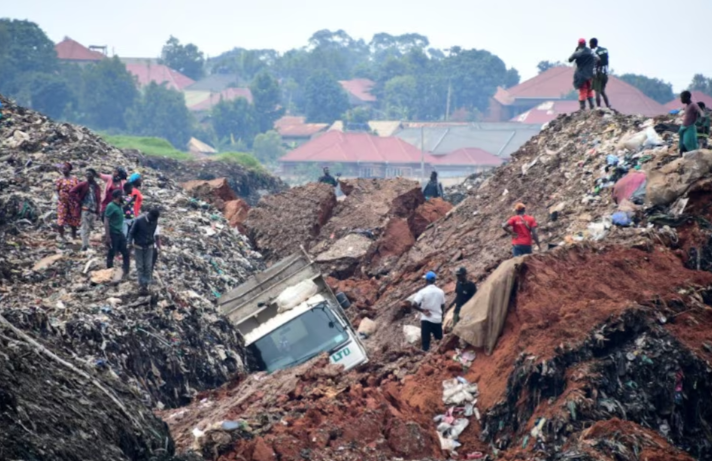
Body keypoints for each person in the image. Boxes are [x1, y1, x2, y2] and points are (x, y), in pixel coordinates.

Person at [406, 271, 445, 352]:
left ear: (426, 280)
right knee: (440, 341)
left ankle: (426, 357)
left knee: (426, 344)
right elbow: (442, 305)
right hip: (437, 319)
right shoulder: (441, 291)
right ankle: (439, 356)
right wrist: (441, 316)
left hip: (426, 319)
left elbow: (414, 304)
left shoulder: (423, 291)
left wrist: (423, 310)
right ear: (434, 281)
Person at [129, 208, 160, 295]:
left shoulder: (154, 221)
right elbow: (131, 232)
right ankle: (141, 285)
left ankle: (146, 284)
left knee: (148, 266)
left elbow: (153, 234)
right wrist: (129, 243)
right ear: (149, 215)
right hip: (138, 246)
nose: (154, 221)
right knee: (140, 266)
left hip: (149, 246)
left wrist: (156, 246)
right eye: (153, 219)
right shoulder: (139, 220)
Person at [70, 168, 102, 251]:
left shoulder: (96, 186)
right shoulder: (83, 184)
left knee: (90, 227)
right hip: (85, 209)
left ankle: (86, 243)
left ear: (94, 175)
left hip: (93, 210)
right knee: (85, 227)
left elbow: (98, 199)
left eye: (89, 174)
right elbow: (72, 192)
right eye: (86, 174)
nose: (87, 175)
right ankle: (84, 245)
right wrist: (79, 201)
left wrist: (98, 211)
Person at [104, 189, 130, 278]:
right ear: (118, 196)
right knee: (111, 253)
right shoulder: (111, 206)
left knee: (125, 252)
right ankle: (109, 272)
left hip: (119, 233)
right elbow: (106, 220)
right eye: (122, 195)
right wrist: (107, 236)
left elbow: (126, 204)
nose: (123, 197)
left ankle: (126, 270)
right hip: (113, 233)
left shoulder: (119, 205)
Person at [568, 38, 598, 111]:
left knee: (583, 90)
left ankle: (582, 108)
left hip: (581, 75)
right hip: (590, 74)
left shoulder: (577, 53)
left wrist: (576, 51)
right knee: (590, 90)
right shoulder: (591, 52)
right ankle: (592, 106)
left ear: (579, 44)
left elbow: (570, 60)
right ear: (585, 44)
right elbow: (597, 58)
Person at [55, 162, 80, 241]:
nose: (63, 170)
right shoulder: (60, 179)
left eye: (65, 168)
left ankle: (74, 236)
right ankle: (61, 236)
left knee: (73, 218)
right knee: (61, 217)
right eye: (63, 168)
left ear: (69, 169)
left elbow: (78, 189)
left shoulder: (74, 179)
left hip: (72, 201)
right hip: (63, 201)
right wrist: (59, 197)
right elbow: (57, 190)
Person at [589, 38, 611, 109]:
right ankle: (608, 106)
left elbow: (597, 60)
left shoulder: (593, 52)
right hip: (605, 74)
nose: (589, 45)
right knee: (602, 91)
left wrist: (595, 72)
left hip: (598, 74)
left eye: (590, 44)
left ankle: (598, 107)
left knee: (597, 91)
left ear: (592, 44)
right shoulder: (604, 50)